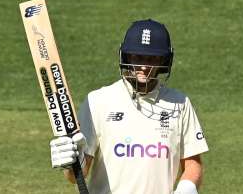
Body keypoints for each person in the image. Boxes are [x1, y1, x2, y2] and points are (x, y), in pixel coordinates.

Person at [49, 19, 209, 194]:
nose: (143, 66)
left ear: (164, 60)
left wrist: (187, 187)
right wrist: (72, 163)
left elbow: (193, 163)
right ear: (126, 56)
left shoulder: (180, 103)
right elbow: (77, 175)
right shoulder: (98, 101)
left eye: (152, 58)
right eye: (138, 56)